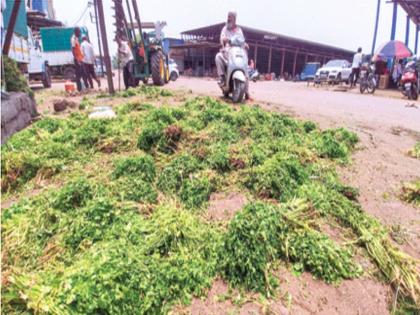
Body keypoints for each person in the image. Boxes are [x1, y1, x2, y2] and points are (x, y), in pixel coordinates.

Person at [215, 11, 251, 99]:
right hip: (227, 52)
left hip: (238, 52)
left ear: (235, 19)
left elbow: (241, 40)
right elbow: (222, 38)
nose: (228, 18)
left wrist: (245, 44)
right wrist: (224, 40)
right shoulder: (224, 29)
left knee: (245, 65)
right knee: (218, 57)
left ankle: (246, 91)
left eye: (230, 17)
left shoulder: (239, 30)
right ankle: (222, 78)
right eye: (228, 16)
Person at [71, 27, 87, 92]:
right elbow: (73, 50)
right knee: (78, 75)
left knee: (84, 73)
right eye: (79, 32)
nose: (80, 33)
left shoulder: (76, 39)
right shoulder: (73, 39)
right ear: (76, 32)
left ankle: (85, 87)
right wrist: (77, 59)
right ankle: (80, 89)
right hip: (77, 59)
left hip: (80, 59)